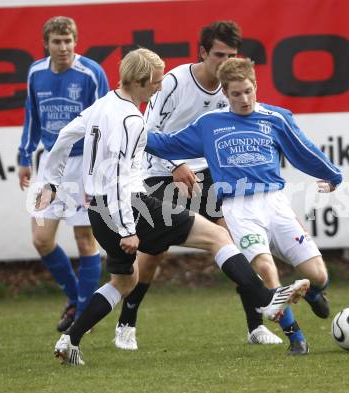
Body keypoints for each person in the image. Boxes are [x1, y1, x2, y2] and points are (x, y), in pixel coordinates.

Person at [35, 48, 310, 366]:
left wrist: (52, 182)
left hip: (99, 211)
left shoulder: (104, 104)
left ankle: (70, 340)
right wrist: (127, 229)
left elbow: (65, 136)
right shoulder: (131, 120)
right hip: (130, 207)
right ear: (139, 80)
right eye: (155, 81)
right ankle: (267, 301)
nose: (160, 86)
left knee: (124, 281)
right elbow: (122, 179)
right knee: (217, 237)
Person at [145, 57, 342, 351]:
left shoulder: (276, 118)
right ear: (225, 93)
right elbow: (166, 143)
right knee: (265, 267)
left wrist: (332, 175)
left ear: (255, 86)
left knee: (318, 274)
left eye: (248, 91)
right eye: (236, 94)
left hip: (275, 204)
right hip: (238, 208)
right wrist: (128, 130)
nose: (244, 99)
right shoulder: (209, 124)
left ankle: (314, 293)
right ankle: (295, 337)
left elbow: (304, 150)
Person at [115, 20, 287, 352]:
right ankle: (126, 322)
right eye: (219, 55)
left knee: (239, 240)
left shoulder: (232, 89)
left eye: (232, 55)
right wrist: (176, 165)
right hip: (158, 171)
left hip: (205, 173)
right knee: (153, 255)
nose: (225, 62)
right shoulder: (175, 83)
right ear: (203, 53)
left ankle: (256, 326)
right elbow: (145, 135)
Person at [18, 16, 109, 332]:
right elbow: (33, 116)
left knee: (85, 241)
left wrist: (100, 171)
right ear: (46, 44)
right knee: (41, 239)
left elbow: (105, 123)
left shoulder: (91, 73)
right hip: (49, 166)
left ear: (75, 41)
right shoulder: (35, 73)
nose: (63, 47)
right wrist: (23, 157)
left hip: (83, 165)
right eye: (57, 41)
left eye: (68, 40)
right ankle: (77, 300)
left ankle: (84, 315)